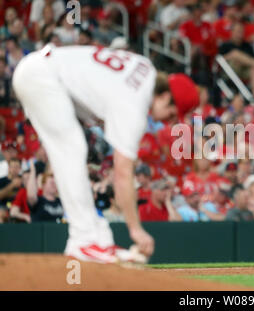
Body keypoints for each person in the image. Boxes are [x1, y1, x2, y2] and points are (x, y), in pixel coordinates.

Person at [13, 44, 177, 264]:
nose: (167, 120)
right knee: (72, 149)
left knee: (74, 149)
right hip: (41, 77)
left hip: (45, 70)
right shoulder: (136, 102)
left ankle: (99, 241)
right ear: (165, 96)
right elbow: (122, 173)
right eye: (171, 113)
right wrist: (135, 229)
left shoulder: (145, 67)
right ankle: (84, 241)